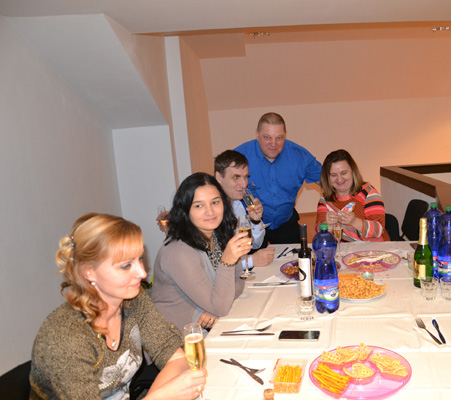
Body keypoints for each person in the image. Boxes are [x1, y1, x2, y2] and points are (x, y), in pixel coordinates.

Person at [30, 213, 206, 399]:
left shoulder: (133, 301)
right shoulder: (65, 338)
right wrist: (160, 397)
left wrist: (157, 395)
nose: (142, 273)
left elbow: (174, 355)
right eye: (126, 266)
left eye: (139, 259)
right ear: (89, 272)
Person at [151, 173, 250, 333]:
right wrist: (226, 263)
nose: (210, 212)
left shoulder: (218, 234)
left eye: (215, 202)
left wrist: (215, 307)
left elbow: (239, 282)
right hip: (179, 338)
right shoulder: (178, 251)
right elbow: (221, 307)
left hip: (211, 324)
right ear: (185, 210)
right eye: (199, 206)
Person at [235, 112, 321, 244]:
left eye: (279, 138)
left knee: (296, 256)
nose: (273, 144)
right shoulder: (239, 156)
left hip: (285, 221)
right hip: (251, 223)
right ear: (257, 134)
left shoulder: (300, 156)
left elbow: (328, 181)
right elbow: (220, 188)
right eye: (267, 137)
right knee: (253, 258)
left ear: (285, 135)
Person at [214, 150, 275, 268]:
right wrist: (251, 261)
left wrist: (256, 221)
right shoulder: (212, 213)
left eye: (246, 177)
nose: (243, 184)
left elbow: (254, 244)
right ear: (219, 177)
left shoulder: (238, 205)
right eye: (236, 177)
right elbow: (216, 265)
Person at [316, 149, 390, 242]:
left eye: (344, 173)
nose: (339, 179)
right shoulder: (324, 200)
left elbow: (379, 230)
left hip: (371, 249)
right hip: (341, 249)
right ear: (327, 177)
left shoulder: (368, 193)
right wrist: (327, 224)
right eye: (333, 175)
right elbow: (319, 234)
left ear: (353, 171)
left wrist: (354, 221)